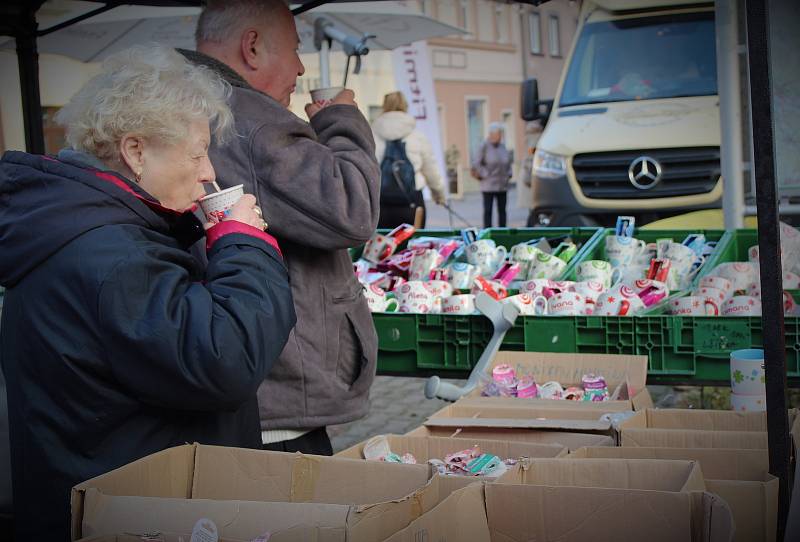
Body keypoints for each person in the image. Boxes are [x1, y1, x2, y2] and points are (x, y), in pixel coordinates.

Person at [0, 45, 296, 541]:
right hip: (134, 518)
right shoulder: (112, 254)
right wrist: (245, 246)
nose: (209, 174)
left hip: (111, 503)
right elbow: (224, 358)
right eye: (198, 152)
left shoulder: (88, 228)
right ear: (135, 152)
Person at [182, 0, 380, 455]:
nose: (300, 65)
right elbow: (353, 208)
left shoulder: (185, 99)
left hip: (240, 381)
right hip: (278, 400)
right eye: (293, 48)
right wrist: (340, 118)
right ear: (252, 47)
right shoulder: (248, 118)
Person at [372, 91, 446, 228]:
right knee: (413, 247)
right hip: (412, 202)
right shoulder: (417, 136)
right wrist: (439, 195)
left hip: (380, 203)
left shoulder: (371, 135)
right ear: (405, 106)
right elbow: (431, 169)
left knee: (383, 247)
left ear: (384, 107)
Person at [472, 122, 514, 228]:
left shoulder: (502, 146)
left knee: (502, 211)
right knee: (488, 210)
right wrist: (485, 174)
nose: (499, 137)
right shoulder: (484, 146)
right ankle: (487, 230)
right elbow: (476, 163)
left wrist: (509, 173)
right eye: (498, 134)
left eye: (500, 134)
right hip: (488, 185)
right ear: (491, 135)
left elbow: (508, 162)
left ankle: (503, 231)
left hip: (502, 184)